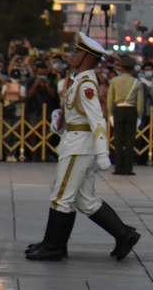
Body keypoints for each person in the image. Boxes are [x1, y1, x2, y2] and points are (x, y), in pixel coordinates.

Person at [25, 33, 140, 262]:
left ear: (87, 57)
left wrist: (102, 152)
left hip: (79, 146)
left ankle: (54, 247)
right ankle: (124, 235)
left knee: (61, 197)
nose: (71, 55)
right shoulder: (78, 79)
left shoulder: (86, 83)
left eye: (76, 52)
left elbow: (97, 119)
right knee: (85, 199)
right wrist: (60, 118)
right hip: (75, 142)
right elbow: (74, 114)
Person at [106, 55, 144, 175]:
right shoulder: (137, 82)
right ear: (132, 68)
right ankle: (128, 168)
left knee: (118, 140)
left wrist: (110, 115)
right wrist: (139, 116)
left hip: (118, 110)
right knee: (129, 141)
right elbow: (140, 101)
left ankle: (118, 168)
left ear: (121, 68)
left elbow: (110, 99)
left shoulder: (114, 81)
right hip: (131, 110)